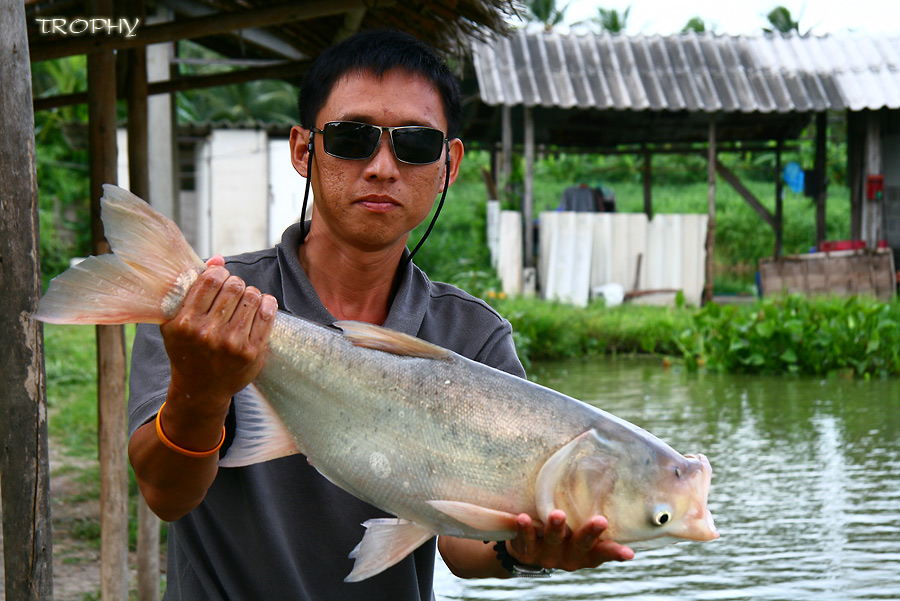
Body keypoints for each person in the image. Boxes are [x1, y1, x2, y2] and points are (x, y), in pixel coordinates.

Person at [127, 29, 633, 600]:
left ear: (449, 163)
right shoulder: (211, 302)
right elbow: (165, 495)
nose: (383, 167)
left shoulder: (473, 335)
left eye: (416, 144)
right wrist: (201, 389)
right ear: (303, 150)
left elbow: (460, 546)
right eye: (351, 138)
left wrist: (522, 548)